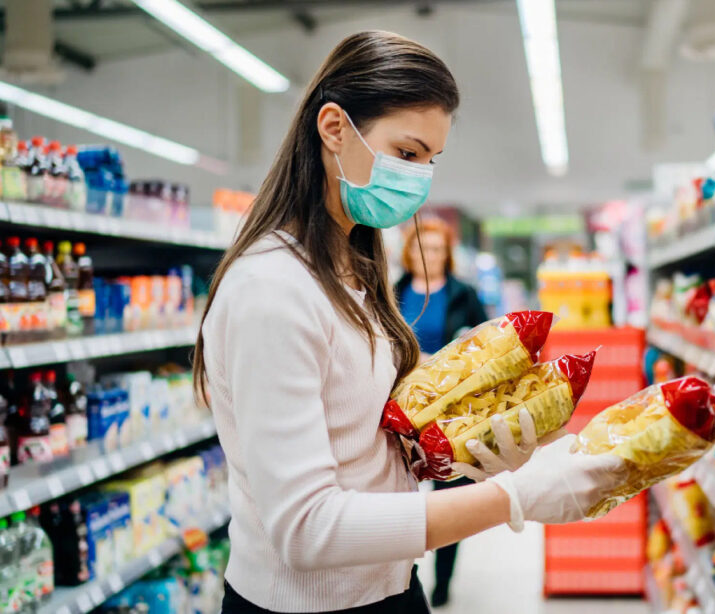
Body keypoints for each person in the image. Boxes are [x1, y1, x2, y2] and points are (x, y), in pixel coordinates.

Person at [193, 31, 623, 614]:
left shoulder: (353, 269)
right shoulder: (271, 290)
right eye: (407, 153)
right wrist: (512, 498)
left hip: (390, 589)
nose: (420, 179)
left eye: (431, 161)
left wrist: (467, 444)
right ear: (334, 128)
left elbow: (359, 436)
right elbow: (306, 528)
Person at [394, 218, 486, 607]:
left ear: (446, 255)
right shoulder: (391, 290)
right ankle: (402, 571)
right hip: (401, 409)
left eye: (435, 249)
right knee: (400, 493)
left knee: (449, 493)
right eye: (421, 248)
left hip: (451, 411)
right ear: (409, 252)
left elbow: (486, 344)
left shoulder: (464, 294)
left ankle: (443, 580)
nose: (428, 255)